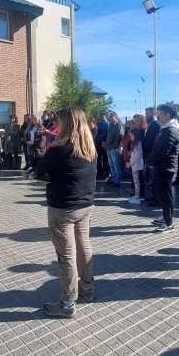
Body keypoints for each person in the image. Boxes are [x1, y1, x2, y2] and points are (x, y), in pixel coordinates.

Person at [34, 106, 98, 318]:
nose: (56, 126)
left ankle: (67, 303)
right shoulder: (89, 148)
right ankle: (87, 290)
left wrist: (51, 178)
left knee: (67, 256)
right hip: (85, 206)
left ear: (67, 124)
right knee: (84, 248)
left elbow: (39, 171)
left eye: (59, 122)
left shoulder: (59, 150)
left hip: (63, 209)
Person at [146, 105, 179, 232]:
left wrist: (149, 161)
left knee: (166, 195)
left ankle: (169, 223)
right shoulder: (166, 128)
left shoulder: (171, 130)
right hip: (162, 166)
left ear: (168, 115)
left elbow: (162, 151)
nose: (159, 115)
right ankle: (166, 217)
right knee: (163, 194)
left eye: (161, 113)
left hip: (166, 167)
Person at [143, 107, 161, 206]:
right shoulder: (151, 125)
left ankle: (158, 200)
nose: (146, 115)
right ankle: (155, 197)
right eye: (146, 113)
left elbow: (156, 143)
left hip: (153, 156)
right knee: (153, 179)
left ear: (153, 114)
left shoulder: (157, 125)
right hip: (149, 156)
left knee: (156, 179)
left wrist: (153, 158)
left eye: (148, 113)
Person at [104, 112, 124, 187]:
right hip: (108, 148)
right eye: (109, 117)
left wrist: (114, 146)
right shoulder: (110, 126)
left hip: (114, 148)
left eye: (111, 117)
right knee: (111, 165)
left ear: (116, 117)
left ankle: (117, 181)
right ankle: (113, 179)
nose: (110, 118)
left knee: (116, 165)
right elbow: (108, 136)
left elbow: (120, 136)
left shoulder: (118, 126)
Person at [125, 129, 144, 205]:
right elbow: (133, 156)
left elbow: (136, 157)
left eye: (131, 136)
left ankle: (137, 198)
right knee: (135, 181)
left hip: (136, 165)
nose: (130, 137)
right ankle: (136, 195)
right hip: (134, 165)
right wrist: (130, 161)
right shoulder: (136, 144)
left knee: (136, 182)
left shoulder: (138, 144)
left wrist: (130, 163)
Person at [95, 114, 110, 180]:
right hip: (98, 143)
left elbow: (106, 133)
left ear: (105, 117)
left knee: (105, 159)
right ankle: (100, 172)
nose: (101, 118)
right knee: (99, 158)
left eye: (102, 116)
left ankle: (107, 172)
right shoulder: (99, 124)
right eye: (100, 116)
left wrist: (103, 140)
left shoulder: (107, 124)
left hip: (104, 143)